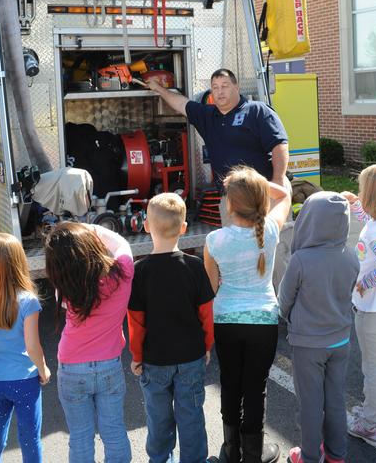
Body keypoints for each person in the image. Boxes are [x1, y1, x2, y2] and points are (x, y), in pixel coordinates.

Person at [203, 166, 291, 463]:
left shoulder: (214, 240)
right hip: (264, 321)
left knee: (230, 382)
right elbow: (285, 195)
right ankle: (254, 453)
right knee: (256, 388)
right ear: (259, 198)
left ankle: (232, 450)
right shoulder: (270, 230)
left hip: (226, 319)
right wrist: (257, 183)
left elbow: (212, 287)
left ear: (229, 202)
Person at [127, 193, 217, 463]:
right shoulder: (194, 266)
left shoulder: (139, 271)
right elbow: (206, 313)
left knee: (158, 418)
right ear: (184, 228)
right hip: (191, 356)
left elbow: (136, 320)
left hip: (154, 360)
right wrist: (207, 346)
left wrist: (137, 356)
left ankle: (159, 459)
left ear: (145, 226)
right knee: (191, 416)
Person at [146, 68, 289, 224]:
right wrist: (158, 88)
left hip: (263, 193)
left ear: (236, 87)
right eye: (215, 87)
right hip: (231, 200)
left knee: (269, 244)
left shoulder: (256, 110)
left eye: (225, 86)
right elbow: (181, 104)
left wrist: (278, 181)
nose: (220, 91)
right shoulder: (208, 116)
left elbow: (279, 145)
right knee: (236, 246)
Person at [278, 191, 359, 463]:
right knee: (335, 399)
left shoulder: (302, 259)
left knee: (311, 404)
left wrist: (290, 318)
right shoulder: (350, 256)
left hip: (308, 344)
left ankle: (310, 456)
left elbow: (284, 300)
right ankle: (337, 454)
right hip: (341, 340)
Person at [45, 222, 133, 463]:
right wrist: (90, 227)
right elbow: (121, 244)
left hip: (72, 368)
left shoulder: (66, 287)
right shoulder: (123, 273)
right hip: (109, 366)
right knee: (114, 431)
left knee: (80, 437)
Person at [0, 232, 50, 463]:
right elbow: (32, 346)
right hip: (24, 381)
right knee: (29, 439)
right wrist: (43, 369)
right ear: (18, 262)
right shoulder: (27, 301)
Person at [342, 163, 376, 448]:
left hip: (371, 310)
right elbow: (369, 218)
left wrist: (364, 283)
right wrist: (354, 203)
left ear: (371, 194)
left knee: (373, 367)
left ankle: (371, 425)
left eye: (362, 191)